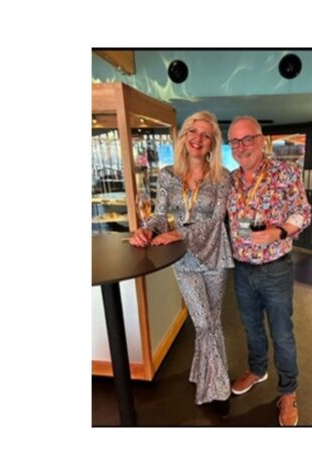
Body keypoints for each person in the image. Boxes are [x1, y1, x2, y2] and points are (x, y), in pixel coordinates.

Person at [129, 111, 234, 412]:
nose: (198, 139)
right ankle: (219, 386)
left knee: (212, 320)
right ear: (184, 136)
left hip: (214, 254)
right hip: (184, 259)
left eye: (206, 134)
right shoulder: (167, 174)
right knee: (203, 320)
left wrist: (179, 233)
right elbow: (160, 214)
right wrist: (149, 228)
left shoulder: (222, 177)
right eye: (193, 131)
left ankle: (204, 373)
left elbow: (216, 220)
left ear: (213, 142)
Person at [225, 115, 312, 426]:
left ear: (261, 140)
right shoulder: (230, 180)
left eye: (247, 139)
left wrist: (280, 232)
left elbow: (303, 211)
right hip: (243, 268)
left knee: (282, 334)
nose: (241, 146)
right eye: (235, 141)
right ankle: (257, 369)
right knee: (251, 327)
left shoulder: (284, 174)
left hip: (275, 268)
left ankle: (288, 391)